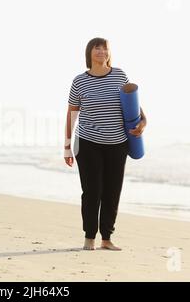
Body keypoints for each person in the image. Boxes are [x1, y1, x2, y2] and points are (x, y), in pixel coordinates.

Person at [64, 37, 147, 251]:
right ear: (89, 52)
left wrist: (144, 122)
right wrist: (66, 146)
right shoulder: (79, 81)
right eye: (97, 48)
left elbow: (133, 104)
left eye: (105, 48)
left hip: (117, 143)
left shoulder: (119, 75)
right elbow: (72, 114)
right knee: (92, 191)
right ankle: (89, 237)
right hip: (88, 143)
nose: (101, 51)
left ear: (109, 53)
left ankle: (107, 238)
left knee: (112, 191)